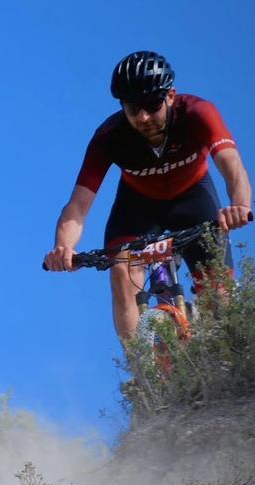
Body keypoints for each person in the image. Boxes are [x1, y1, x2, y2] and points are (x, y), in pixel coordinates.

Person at [43, 50, 252, 346]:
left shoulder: (198, 113)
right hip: (138, 207)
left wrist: (240, 206)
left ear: (170, 96)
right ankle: (144, 376)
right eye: (132, 108)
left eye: (151, 105)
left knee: (220, 294)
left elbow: (233, 167)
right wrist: (64, 246)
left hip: (195, 200)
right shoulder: (109, 136)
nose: (143, 117)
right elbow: (78, 205)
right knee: (121, 271)